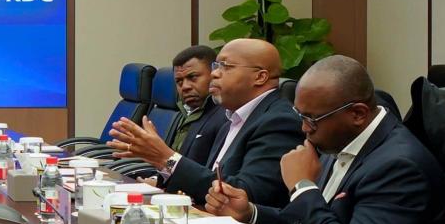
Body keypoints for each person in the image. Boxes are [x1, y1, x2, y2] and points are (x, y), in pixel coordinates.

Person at [206, 56, 445, 224]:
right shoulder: (342, 139)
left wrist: (301, 188)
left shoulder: (399, 166)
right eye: (300, 116)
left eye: (311, 119)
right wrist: (250, 213)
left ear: (358, 114)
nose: (304, 128)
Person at [110, 38, 302, 209]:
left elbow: (244, 196)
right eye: (215, 66)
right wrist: (162, 169)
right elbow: (208, 179)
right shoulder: (231, 116)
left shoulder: (279, 122)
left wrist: (166, 159)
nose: (214, 74)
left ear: (260, 77)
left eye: (225, 66)